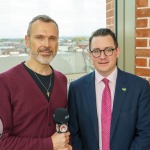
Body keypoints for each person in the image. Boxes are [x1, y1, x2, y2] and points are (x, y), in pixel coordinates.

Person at [68, 28, 150, 150]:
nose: (102, 56)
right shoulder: (76, 89)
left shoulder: (139, 87)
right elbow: (74, 134)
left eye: (108, 50)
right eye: (96, 51)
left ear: (117, 51)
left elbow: (145, 133)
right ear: (90, 54)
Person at [0, 15, 72, 150]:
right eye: (39, 37)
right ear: (27, 41)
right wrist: (49, 144)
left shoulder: (62, 80)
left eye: (52, 38)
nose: (46, 44)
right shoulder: (5, 83)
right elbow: (2, 142)